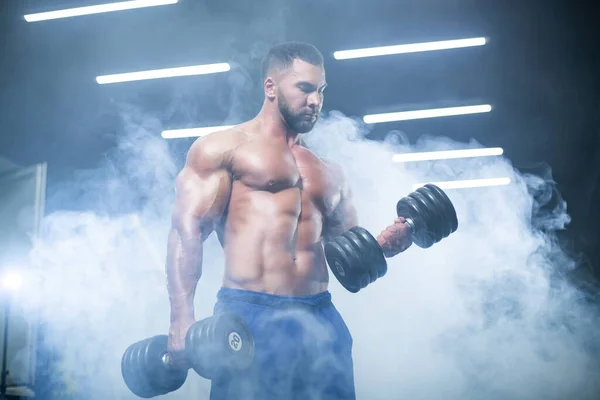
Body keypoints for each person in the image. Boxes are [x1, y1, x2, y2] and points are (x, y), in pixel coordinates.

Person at [165, 42, 412, 400]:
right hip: (251, 315)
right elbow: (186, 231)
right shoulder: (223, 148)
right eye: (305, 89)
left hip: (321, 317)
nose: (315, 101)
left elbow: (351, 253)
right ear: (271, 88)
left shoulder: (330, 172)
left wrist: (387, 243)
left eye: (321, 91)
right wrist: (180, 318)